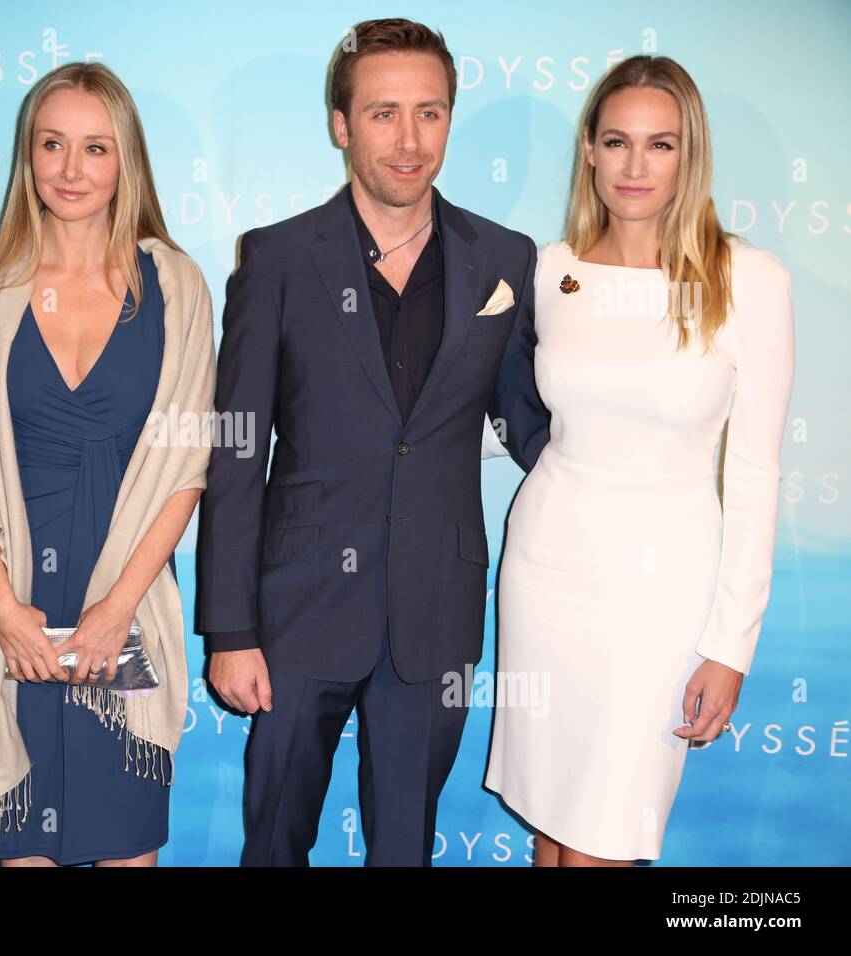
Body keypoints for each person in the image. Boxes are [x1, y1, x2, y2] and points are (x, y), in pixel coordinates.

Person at [195, 18, 551, 866]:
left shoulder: (505, 257)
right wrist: (229, 628)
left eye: (429, 113)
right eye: (384, 113)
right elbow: (237, 450)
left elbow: (525, 421)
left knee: (405, 850)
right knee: (275, 841)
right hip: (295, 612)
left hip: (437, 608)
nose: (409, 139)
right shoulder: (277, 258)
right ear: (341, 124)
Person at [483, 55, 796, 866]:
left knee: (605, 834)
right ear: (588, 148)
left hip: (660, 595)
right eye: (617, 141)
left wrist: (732, 644)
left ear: (690, 155)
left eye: (660, 144)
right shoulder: (549, 271)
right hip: (547, 568)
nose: (634, 165)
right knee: (554, 833)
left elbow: (757, 472)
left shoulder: (748, 281)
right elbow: (506, 406)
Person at [0, 62, 216, 867]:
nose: (70, 169)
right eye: (52, 144)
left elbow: (186, 464)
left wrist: (117, 610)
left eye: (95, 148)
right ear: (28, 156)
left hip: (128, 601)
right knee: (24, 847)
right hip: (14, 602)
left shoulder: (176, 285)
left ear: (126, 160)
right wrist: (2, 609)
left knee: (126, 844)